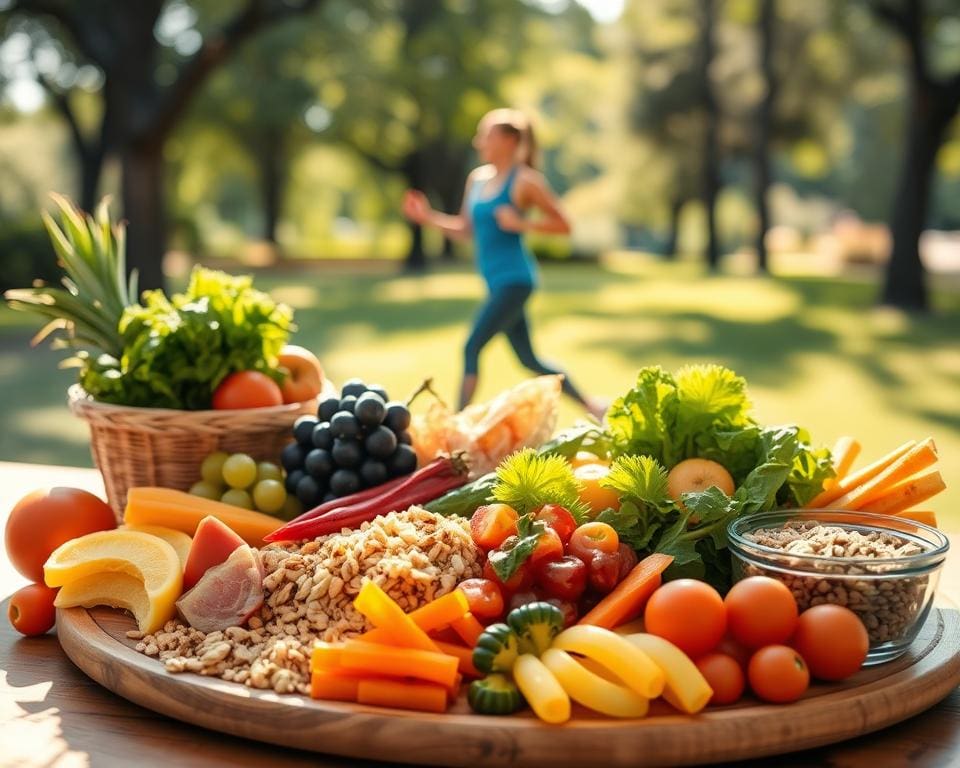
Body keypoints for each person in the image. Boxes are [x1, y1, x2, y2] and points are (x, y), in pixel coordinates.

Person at [402, 108, 604, 418]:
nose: (478, 141)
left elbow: (564, 225)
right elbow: (466, 229)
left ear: (509, 140)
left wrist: (522, 224)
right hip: (496, 281)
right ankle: (593, 406)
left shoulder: (524, 181)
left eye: (486, 135)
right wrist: (427, 217)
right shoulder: (478, 180)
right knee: (529, 360)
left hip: (516, 280)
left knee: (471, 347)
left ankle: (458, 423)